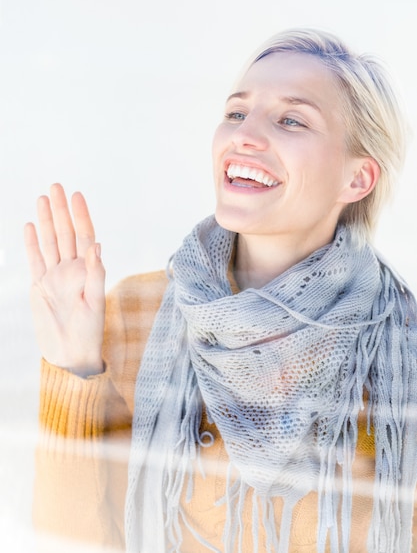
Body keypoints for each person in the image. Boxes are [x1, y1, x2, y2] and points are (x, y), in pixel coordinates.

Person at [24, 28, 417, 553]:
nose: (245, 135)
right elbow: (73, 541)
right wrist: (71, 365)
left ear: (357, 178)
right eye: (236, 113)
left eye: (291, 120)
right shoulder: (132, 316)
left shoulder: (402, 353)